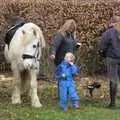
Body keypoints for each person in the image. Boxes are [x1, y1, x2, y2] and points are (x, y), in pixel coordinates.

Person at [99, 21, 120, 109]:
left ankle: (112, 104)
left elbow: (102, 46)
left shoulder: (108, 32)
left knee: (113, 80)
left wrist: (103, 54)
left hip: (112, 57)